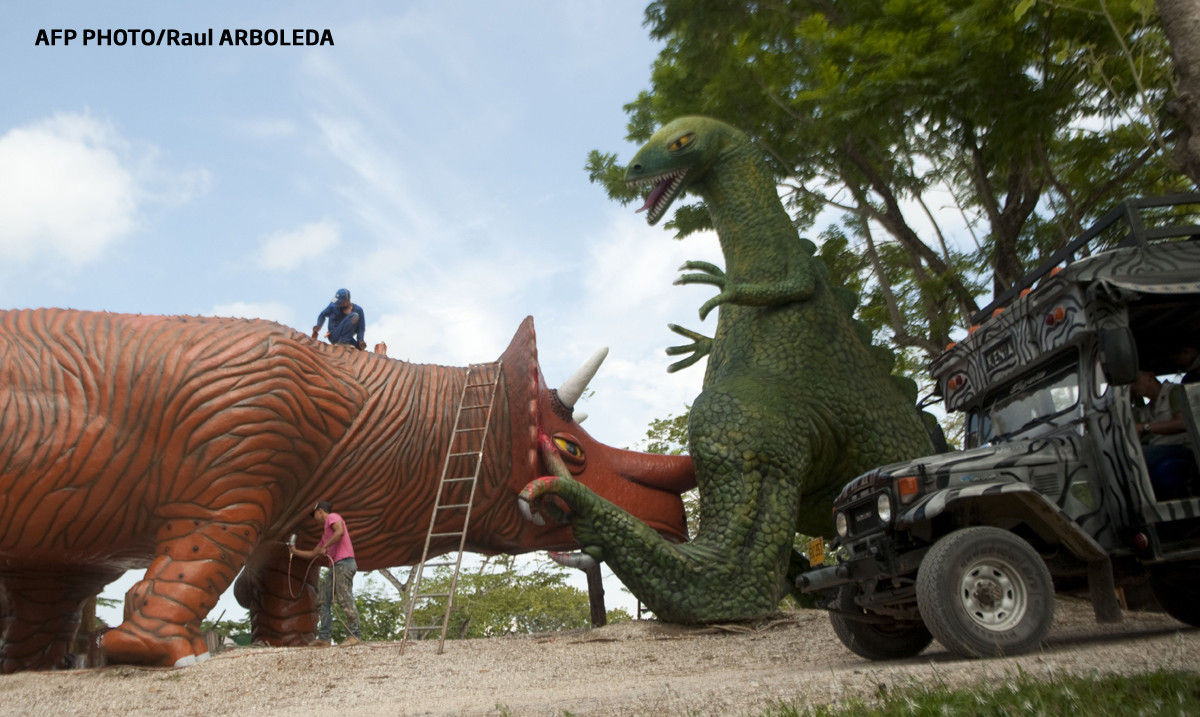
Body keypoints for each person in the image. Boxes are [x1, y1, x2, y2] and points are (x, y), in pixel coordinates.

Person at [291, 501, 364, 646]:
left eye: (314, 514)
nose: (314, 518)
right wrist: (295, 551)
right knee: (323, 599)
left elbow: (340, 531)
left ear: (320, 511)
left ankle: (355, 636)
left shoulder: (332, 517)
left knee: (344, 598)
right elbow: (314, 553)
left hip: (344, 563)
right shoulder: (326, 534)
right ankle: (324, 638)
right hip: (336, 566)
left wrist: (325, 546)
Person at [1130, 370, 1194, 500]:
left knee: (1135, 456)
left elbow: (1183, 423)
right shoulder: (1145, 410)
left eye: (1135, 382)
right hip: (1160, 447)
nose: (1133, 387)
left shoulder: (1174, 391)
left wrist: (1146, 427)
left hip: (1182, 445)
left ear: (1150, 376)